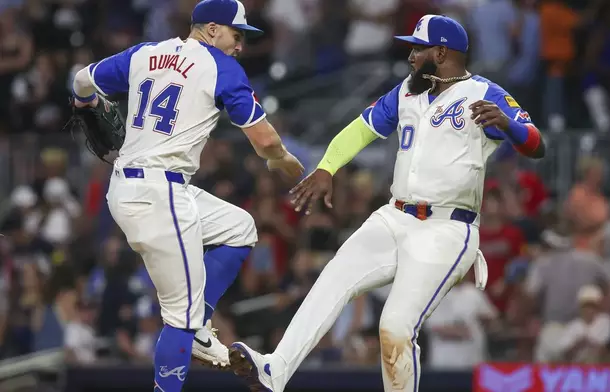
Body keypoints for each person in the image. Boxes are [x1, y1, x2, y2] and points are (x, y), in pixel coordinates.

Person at [229, 14, 545, 392]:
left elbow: (537, 144)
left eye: (418, 48)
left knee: (394, 328)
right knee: (332, 279)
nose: (410, 55)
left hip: (446, 228)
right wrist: (328, 167)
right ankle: (274, 371)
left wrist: (509, 126)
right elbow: (362, 128)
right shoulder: (407, 92)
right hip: (394, 216)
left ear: (441, 52)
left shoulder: (484, 94)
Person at [70, 1, 304, 391]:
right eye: (237, 34)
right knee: (179, 318)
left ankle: (198, 329)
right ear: (212, 29)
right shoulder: (219, 65)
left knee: (240, 228)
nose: (240, 45)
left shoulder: (147, 52)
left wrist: (86, 104)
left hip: (139, 185)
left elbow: (82, 79)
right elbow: (264, 140)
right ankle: (186, 341)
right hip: (159, 193)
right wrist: (280, 158)